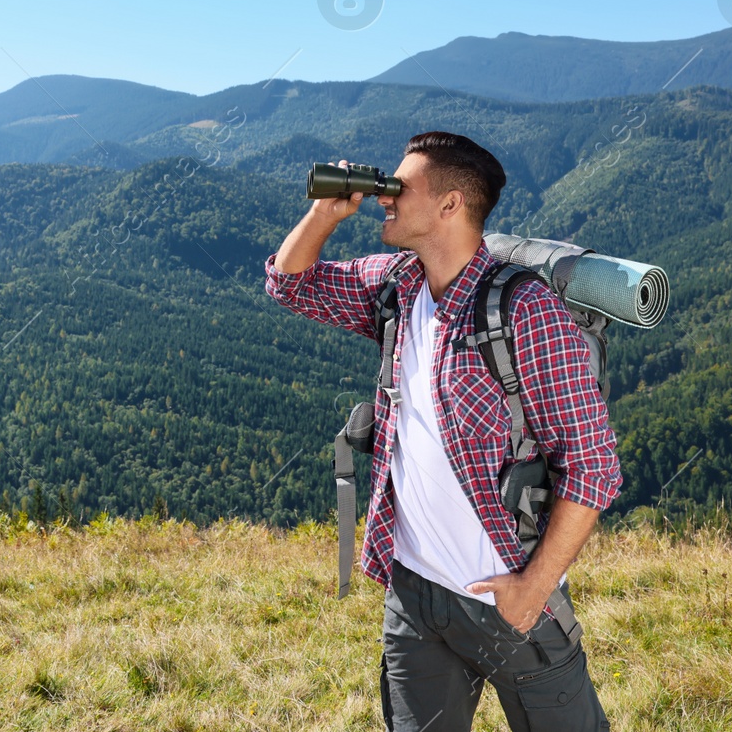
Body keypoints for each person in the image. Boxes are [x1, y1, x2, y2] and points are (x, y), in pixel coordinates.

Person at [264, 131, 620, 731]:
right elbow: (289, 283)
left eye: (402, 187)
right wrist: (325, 212)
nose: (386, 197)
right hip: (413, 596)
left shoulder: (524, 311)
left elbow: (593, 464)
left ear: (451, 205)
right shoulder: (399, 286)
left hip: (506, 600)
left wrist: (532, 591)